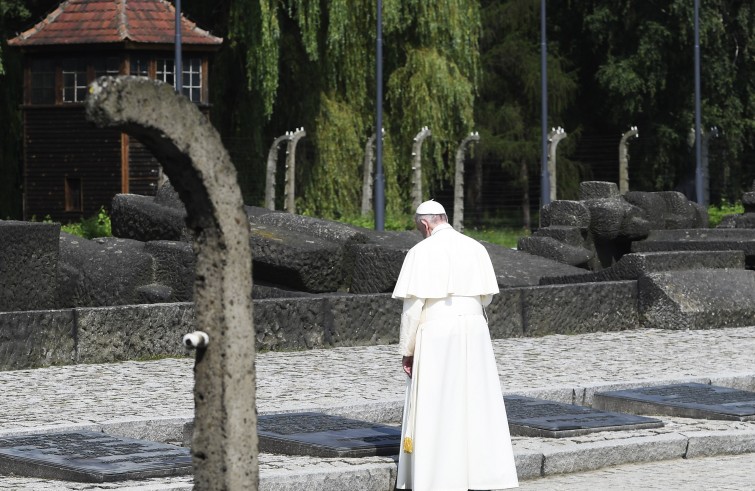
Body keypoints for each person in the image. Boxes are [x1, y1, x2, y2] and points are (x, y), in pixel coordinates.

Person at [393, 199, 518, 491]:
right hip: (475, 328)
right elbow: (485, 297)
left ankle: (439, 477)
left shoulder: (420, 252)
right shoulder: (476, 247)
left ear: (425, 224)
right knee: (476, 401)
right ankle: (481, 474)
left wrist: (407, 351)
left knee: (438, 403)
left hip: (437, 330)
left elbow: (412, 309)